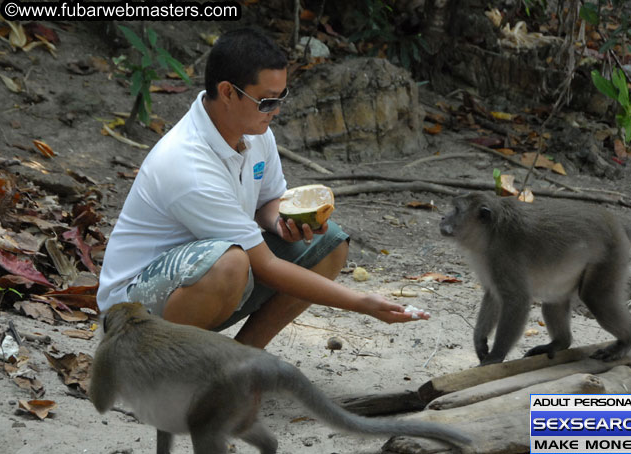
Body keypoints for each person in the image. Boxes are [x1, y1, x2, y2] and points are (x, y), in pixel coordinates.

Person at [97, 27, 427, 349]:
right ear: (227, 92)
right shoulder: (186, 163)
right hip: (130, 316)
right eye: (267, 101)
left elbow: (267, 201)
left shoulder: (255, 133)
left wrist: (282, 224)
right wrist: (361, 303)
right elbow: (264, 265)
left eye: (281, 97)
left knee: (330, 243)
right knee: (231, 264)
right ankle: (168, 372)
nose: (277, 110)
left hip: (204, 278)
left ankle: (242, 362)